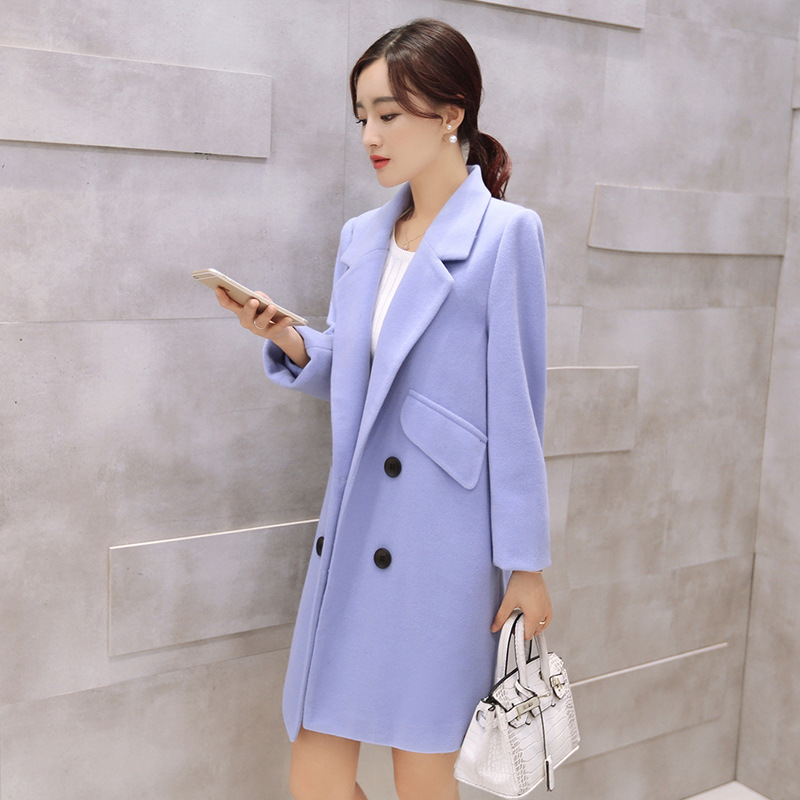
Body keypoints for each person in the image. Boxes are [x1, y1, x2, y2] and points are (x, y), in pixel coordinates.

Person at [215, 18, 553, 800]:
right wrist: (291, 339)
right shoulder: (362, 238)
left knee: (421, 775)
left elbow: (519, 410)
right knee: (316, 774)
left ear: (451, 113)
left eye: (389, 114)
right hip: (355, 525)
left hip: (443, 545)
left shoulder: (507, 236)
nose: (370, 135)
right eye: (362, 115)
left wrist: (527, 566)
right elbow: (364, 375)